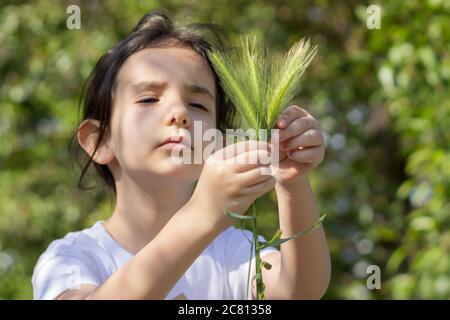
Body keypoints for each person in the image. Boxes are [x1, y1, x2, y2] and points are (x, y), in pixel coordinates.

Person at [32, 10, 330, 300]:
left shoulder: (234, 251)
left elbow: (299, 292)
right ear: (101, 140)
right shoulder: (73, 257)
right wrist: (201, 214)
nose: (179, 113)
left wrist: (292, 184)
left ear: (218, 143)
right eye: (149, 99)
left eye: (198, 105)